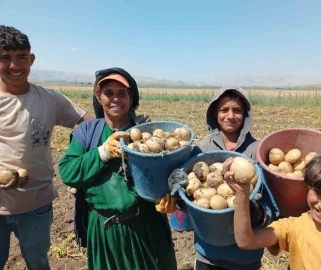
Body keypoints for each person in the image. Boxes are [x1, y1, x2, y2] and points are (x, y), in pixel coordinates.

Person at [58, 67, 177, 270]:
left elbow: (171, 172)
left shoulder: (146, 133)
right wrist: (102, 153)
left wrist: (170, 195)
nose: (115, 99)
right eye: (109, 93)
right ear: (99, 96)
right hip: (105, 230)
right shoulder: (87, 132)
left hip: (146, 226)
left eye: (122, 93)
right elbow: (67, 172)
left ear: (131, 98)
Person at [0, 25, 92, 269]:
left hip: (36, 206)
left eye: (21, 57)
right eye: (5, 58)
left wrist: (127, 125)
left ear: (31, 59)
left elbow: (90, 127)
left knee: (38, 262)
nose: (14, 66)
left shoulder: (50, 99)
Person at [223, 148, 321, 269]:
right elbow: (246, 241)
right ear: (308, 186)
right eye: (318, 192)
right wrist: (242, 194)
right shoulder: (293, 228)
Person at [192, 87, 279, 270]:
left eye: (237, 110)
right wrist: (178, 194)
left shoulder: (257, 150)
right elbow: (190, 197)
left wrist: (256, 211)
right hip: (208, 253)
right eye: (224, 110)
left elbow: (271, 206)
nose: (230, 116)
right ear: (215, 113)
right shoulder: (202, 149)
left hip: (246, 255)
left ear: (245, 115)